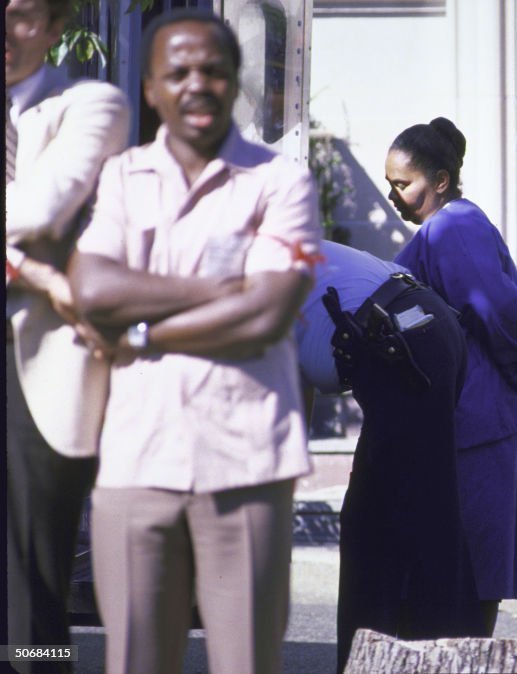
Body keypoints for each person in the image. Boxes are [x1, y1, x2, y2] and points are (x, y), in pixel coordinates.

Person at [68, 9, 320, 673]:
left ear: (233, 78)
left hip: (245, 461)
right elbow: (92, 289)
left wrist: (140, 326)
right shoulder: (122, 177)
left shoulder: (280, 180)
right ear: (150, 89)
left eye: (211, 69)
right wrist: (227, 292)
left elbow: (267, 314)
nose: (195, 84)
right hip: (134, 460)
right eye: (176, 72)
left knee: (246, 663)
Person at [390, 117, 517, 637]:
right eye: (392, 184)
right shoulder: (457, 225)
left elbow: (493, 312)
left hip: (475, 420)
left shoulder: (452, 226)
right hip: (477, 416)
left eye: (404, 184)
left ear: (440, 181)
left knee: (462, 573)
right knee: (464, 572)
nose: (394, 196)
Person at [5, 0, 130, 666]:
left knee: (35, 570)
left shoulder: (89, 106)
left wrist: (23, 267)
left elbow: (42, 209)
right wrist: (33, 269)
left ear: (56, 28)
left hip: (43, 361)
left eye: (22, 14)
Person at [294, 239, 474, 670]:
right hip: (417, 332)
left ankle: (425, 661)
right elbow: (293, 378)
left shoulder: (243, 266)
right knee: (377, 523)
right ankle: (378, 661)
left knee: (408, 527)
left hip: (402, 342)